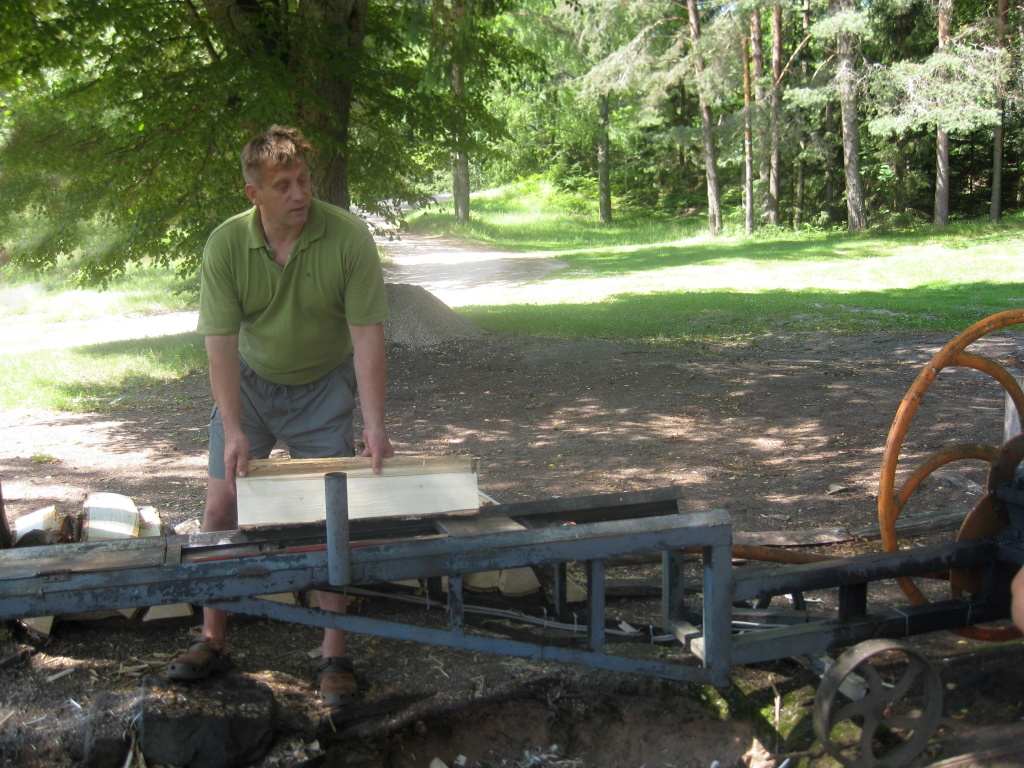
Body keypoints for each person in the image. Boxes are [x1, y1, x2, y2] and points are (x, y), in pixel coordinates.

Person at [166, 125, 393, 707]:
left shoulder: (347, 237)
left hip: (324, 388)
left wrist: (374, 424)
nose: (300, 194)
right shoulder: (225, 245)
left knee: (332, 512)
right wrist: (233, 428)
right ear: (254, 194)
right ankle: (213, 637)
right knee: (222, 504)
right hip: (250, 384)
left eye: (304, 181)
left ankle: (334, 651)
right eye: (284, 185)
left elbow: (367, 335)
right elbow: (219, 344)